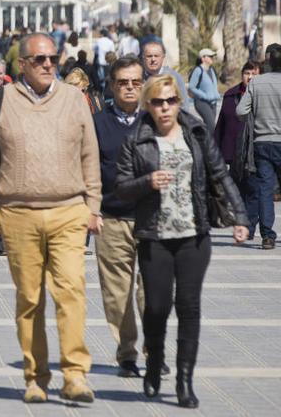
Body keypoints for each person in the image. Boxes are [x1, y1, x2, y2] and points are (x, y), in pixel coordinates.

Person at [0, 32, 101, 403]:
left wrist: (93, 206)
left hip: (68, 210)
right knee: (29, 298)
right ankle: (36, 377)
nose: (48, 65)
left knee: (71, 292)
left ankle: (75, 375)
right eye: (40, 60)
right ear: (22, 64)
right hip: (17, 213)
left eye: (53, 60)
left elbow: (90, 154)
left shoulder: (75, 99)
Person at [115, 74, 249, 408]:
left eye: (171, 101)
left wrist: (240, 218)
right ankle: (154, 363)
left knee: (189, 307)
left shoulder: (197, 132)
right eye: (158, 102)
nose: (164, 108)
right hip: (154, 236)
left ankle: (183, 381)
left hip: (194, 234)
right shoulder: (137, 138)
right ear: (148, 104)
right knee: (157, 308)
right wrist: (147, 182)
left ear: (179, 102)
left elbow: (219, 173)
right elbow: (120, 187)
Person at [92, 56, 147, 378]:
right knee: (117, 294)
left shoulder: (156, 119)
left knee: (152, 291)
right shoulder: (97, 122)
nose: (129, 88)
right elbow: (87, 168)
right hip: (111, 218)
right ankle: (127, 353)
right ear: (112, 85)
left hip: (152, 220)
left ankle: (153, 347)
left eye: (135, 82)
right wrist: (91, 209)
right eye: (123, 82)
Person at [236, 46, 281, 249]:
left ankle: (267, 236)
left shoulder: (257, 83)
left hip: (262, 143)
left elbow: (240, 110)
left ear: (267, 61)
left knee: (264, 189)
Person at [215, 62, 260, 240]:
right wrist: (215, 150)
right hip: (233, 152)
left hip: (255, 152)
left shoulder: (261, 95)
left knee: (254, 191)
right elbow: (221, 126)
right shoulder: (230, 95)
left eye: (254, 74)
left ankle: (249, 224)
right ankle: (243, 223)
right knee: (238, 191)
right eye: (247, 73)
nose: (250, 77)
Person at [142, 40, 191, 111]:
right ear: (143, 57)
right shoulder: (138, 78)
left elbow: (184, 105)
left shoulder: (174, 77)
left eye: (156, 56)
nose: (153, 59)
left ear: (163, 57)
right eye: (149, 56)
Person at [188, 48, 221, 133]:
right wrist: (204, 95)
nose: (212, 58)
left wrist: (216, 94)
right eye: (210, 56)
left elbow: (214, 85)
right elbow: (191, 87)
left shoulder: (212, 70)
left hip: (213, 103)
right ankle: (213, 145)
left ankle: (201, 141)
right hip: (202, 102)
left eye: (213, 56)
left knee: (209, 127)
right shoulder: (198, 70)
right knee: (212, 127)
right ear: (203, 58)